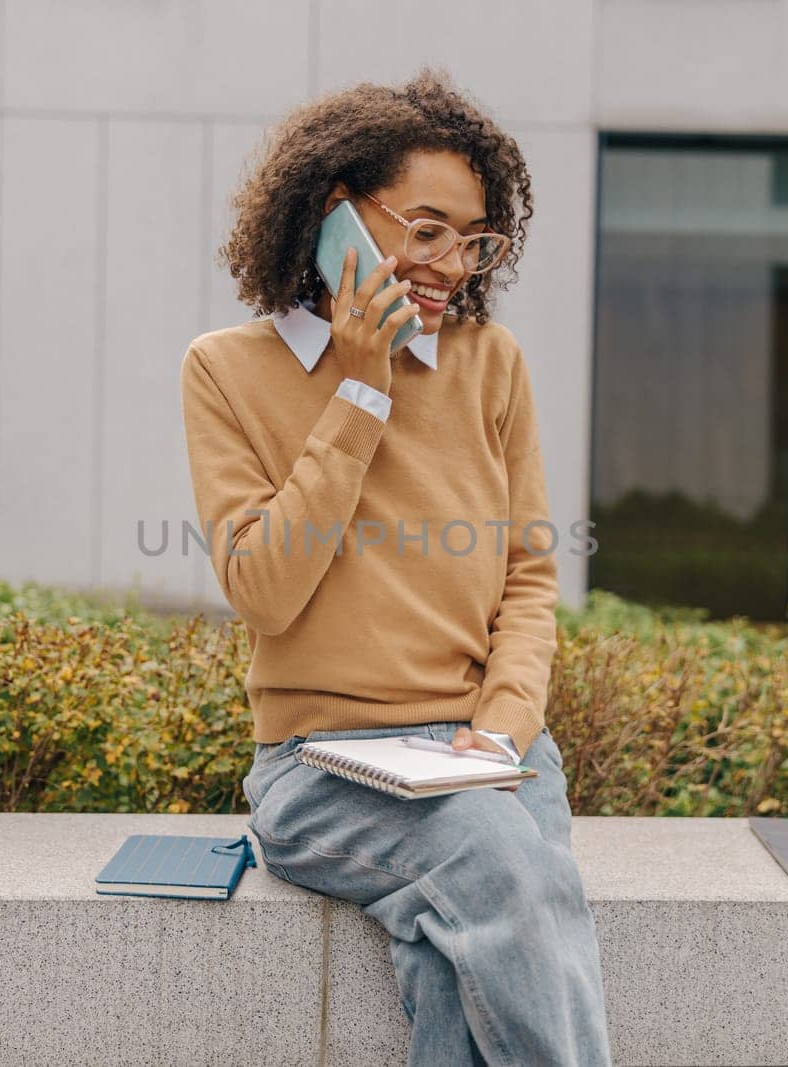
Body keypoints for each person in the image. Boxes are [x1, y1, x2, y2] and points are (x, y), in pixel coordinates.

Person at [179, 66, 612, 1066]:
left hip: (483, 749)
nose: (452, 264)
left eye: (473, 239)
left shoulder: (487, 361)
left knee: (447, 952)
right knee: (498, 866)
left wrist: (502, 729)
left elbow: (528, 578)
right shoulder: (226, 370)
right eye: (426, 229)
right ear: (337, 214)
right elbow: (262, 586)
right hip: (321, 768)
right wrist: (361, 390)